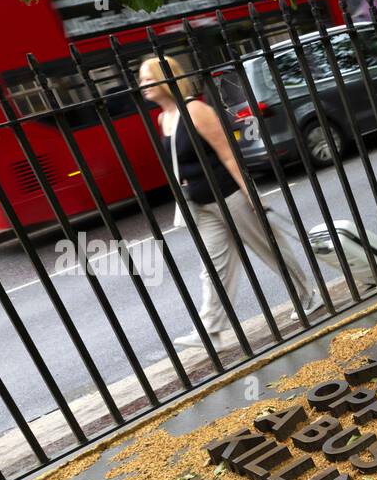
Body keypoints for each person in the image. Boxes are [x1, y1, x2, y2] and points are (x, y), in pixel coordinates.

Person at [137, 56, 324, 351]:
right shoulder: (164, 118)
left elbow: (227, 154)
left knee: (269, 248)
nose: (142, 86)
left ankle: (309, 296)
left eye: (148, 79)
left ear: (167, 77)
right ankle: (211, 330)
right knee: (212, 267)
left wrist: (251, 194)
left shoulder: (195, 110)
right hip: (202, 205)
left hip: (229, 196)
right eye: (141, 81)